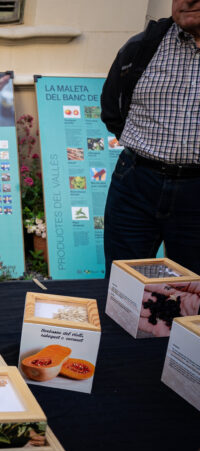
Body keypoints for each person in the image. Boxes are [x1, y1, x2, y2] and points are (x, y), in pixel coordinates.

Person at [101, 0, 200, 277]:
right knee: (123, 283)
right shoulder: (141, 47)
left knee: (193, 290)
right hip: (136, 182)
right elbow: (112, 109)